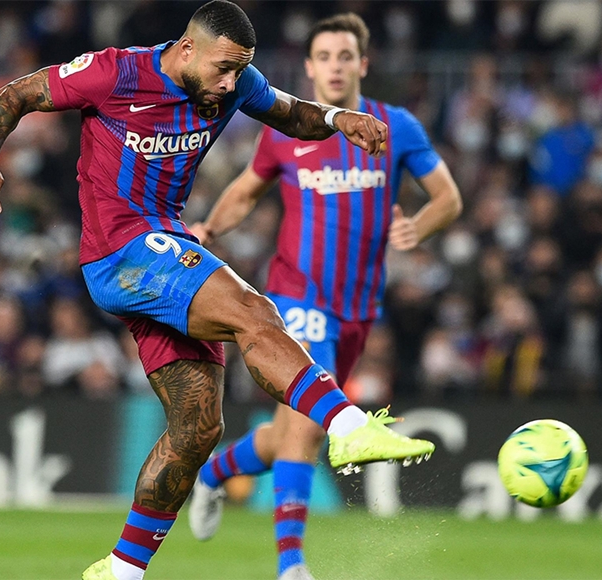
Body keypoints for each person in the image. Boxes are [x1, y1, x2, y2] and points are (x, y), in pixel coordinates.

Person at [0, 3, 436, 580]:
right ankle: (347, 426)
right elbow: (15, 94)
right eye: (223, 69)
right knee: (253, 311)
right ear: (187, 49)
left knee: (198, 429)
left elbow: (293, 114)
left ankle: (120, 570)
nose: (231, 83)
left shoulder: (233, 84)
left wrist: (341, 119)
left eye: (240, 70)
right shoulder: (114, 72)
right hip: (121, 250)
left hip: (162, 251)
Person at [187, 13, 462, 580]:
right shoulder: (286, 131)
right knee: (310, 427)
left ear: (363, 64)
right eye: (324, 57)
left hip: (357, 310)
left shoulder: (396, 127)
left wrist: (420, 226)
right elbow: (246, 190)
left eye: (345, 56)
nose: (335, 67)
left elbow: (448, 198)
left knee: (286, 431)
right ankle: (291, 565)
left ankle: (213, 474)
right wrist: (209, 228)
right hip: (296, 297)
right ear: (309, 69)